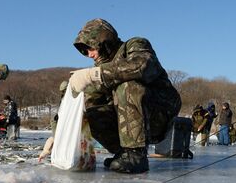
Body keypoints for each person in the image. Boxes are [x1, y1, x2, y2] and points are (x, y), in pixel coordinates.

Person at [68, 18, 181, 173]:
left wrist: (94, 75)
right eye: (84, 52)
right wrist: (61, 131)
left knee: (128, 85)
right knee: (89, 110)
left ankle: (135, 154)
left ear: (103, 41)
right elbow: (88, 99)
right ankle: (123, 153)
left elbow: (143, 66)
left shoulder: (135, 45)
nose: (89, 55)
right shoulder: (102, 69)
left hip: (158, 113)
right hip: (129, 120)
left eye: (90, 48)